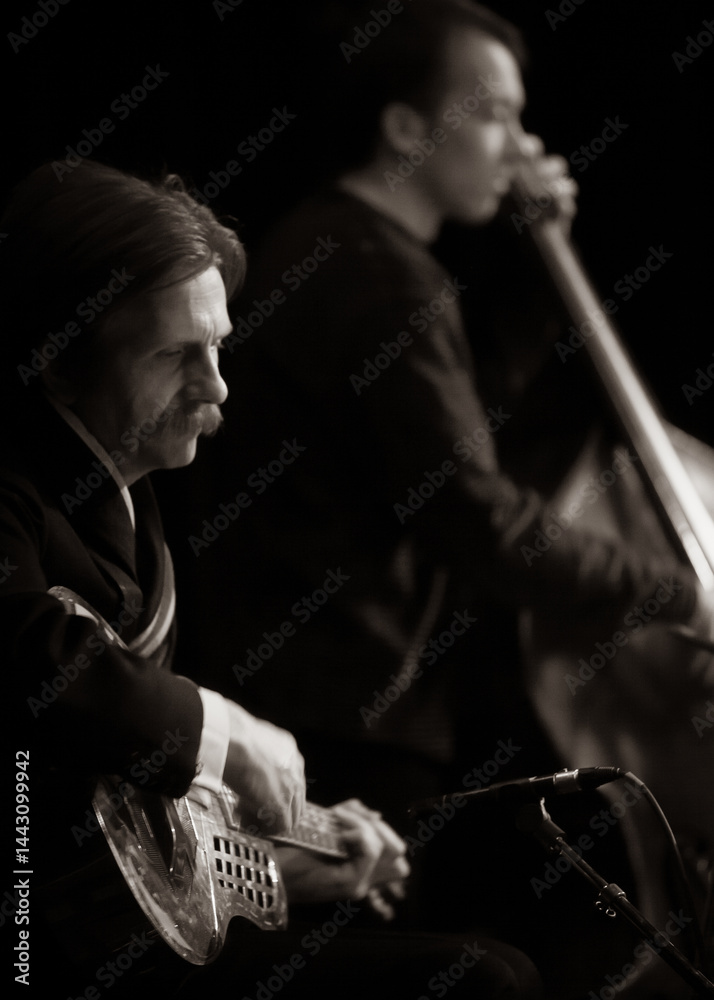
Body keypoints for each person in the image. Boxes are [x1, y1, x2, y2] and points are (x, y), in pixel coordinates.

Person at [168, 1, 706, 994]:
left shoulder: (336, 246)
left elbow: (454, 435)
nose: (522, 144)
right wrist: (683, 591)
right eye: (493, 113)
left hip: (312, 693)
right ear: (406, 126)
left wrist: (542, 264)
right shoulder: (383, 276)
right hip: (345, 712)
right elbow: (480, 515)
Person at [0, 158, 543, 999]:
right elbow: (28, 654)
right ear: (60, 358)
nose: (216, 385)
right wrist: (223, 731)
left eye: (217, 345)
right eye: (175, 353)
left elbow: (127, 824)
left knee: (491, 969)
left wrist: (284, 863)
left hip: (94, 940)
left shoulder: (137, 499)